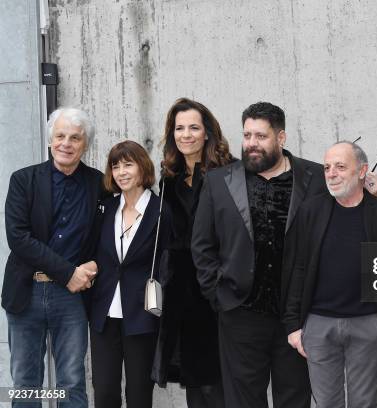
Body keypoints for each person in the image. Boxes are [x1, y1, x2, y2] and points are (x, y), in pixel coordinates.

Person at [191, 102, 327, 408]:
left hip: (296, 317)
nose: (251, 143)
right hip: (240, 312)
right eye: (247, 135)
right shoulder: (218, 181)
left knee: (294, 399)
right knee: (242, 402)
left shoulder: (316, 178)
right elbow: (202, 246)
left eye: (261, 136)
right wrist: (218, 294)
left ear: (281, 138)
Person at [283, 141, 377, 408]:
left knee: (364, 403)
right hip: (318, 325)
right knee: (326, 403)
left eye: (340, 166)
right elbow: (297, 267)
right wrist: (293, 326)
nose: (331, 173)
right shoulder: (311, 211)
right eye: (326, 167)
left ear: (362, 171)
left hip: (368, 324)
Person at [3, 107, 104, 408]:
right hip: (26, 292)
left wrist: (94, 265)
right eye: (60, 136)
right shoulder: (23, 180)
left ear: (85, 144)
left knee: (72, 381)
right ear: (50, 140)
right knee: (26, 381)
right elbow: (18, 238)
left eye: (75, 138)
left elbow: (108, 238)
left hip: (71, 299)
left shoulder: (99, 184)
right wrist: (68, 272)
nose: (66, 143)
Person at [151, 98, 232, 407]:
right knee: (194, 385)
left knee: (216, 384)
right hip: (180, 293)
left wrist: (223, 284)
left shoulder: (229, 172)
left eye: (194, 128)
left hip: (215, 292)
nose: (186, 135)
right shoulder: (168, 178)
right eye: (179, 128)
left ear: (207, 133)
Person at [89, 140, 171, 408]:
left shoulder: (161, 210)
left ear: (142, 167)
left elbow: (168, 262)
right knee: (104, 393)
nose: (121, 172)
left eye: (128, 164)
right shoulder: (106, 208)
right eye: (115, 166)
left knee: (138, 395)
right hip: (105, 314)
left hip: (142, 314)